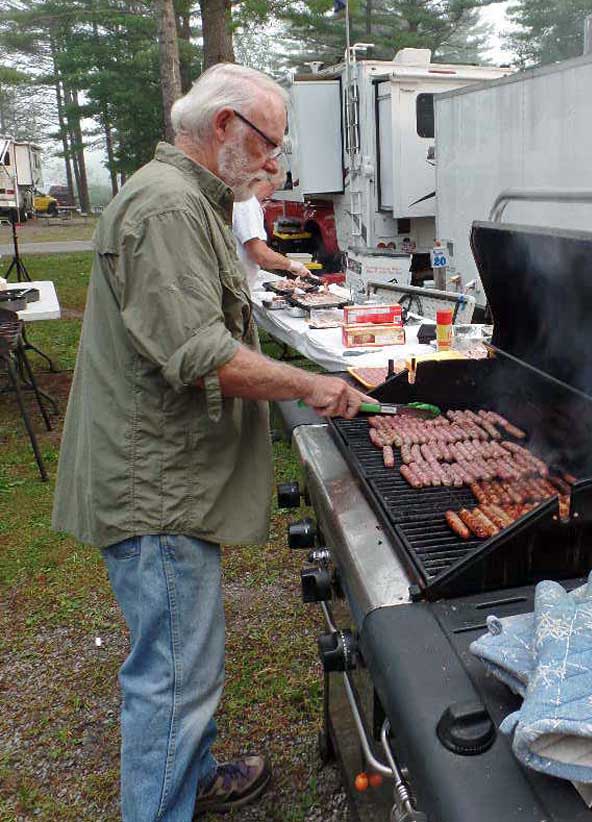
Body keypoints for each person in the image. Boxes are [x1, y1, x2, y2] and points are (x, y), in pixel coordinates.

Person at [51, 63, 370, 821]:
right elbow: (199, 352)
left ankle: (193, 778)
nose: (273, 164)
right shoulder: (165, 209)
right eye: (269, 145)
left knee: (187, 658)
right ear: (225, 126)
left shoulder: (192, 203)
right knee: (172, 675)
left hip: (168, 474)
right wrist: (310, 385)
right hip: (152, 484)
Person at [231, 166, 312, 291]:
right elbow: (260, 254)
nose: (272, 193)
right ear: (262, 181)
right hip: (236, 287)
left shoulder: (242, 200)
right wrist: (292, 265)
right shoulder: (247, 204)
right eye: (273, 187)